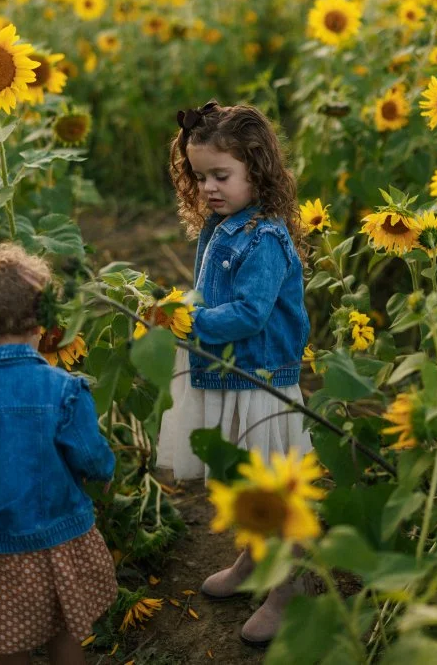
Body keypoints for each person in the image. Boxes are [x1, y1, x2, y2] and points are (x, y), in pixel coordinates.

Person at [158, 99, 311, 646]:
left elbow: (249, 313)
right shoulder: (222, 228)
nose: (209, 189)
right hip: (228, 374)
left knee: (267, 486)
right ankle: (252, 557)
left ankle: (286, 586)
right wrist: (177, 306)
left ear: (258, 169)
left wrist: (189, 321)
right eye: (200, 178)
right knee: (240, 480)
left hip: (261, 380)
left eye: (221, 176)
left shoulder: (265, 239)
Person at [0, 243, 117, 665]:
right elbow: (90, 455)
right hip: (59, 538)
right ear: (39, 322)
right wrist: (105, 473)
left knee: (9, 647)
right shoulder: (61, 389)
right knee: (65, 633)